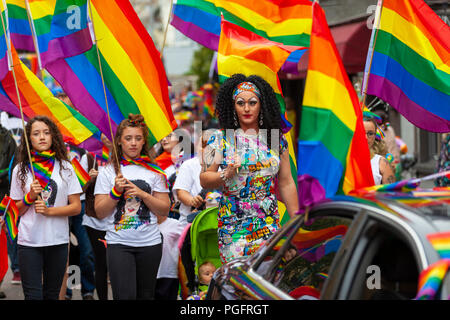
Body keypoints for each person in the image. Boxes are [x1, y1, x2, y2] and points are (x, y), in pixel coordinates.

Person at [200, 74, 299, 264]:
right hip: (234, 228)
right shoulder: (219, 139)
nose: (246, 108)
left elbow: (286, 182)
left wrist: (296, 224)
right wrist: (225, 174)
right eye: (240, 103)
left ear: (261, 105)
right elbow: (204, 178)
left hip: (268, 224)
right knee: (238, 286)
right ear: (232, 106)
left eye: (252, 102)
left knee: (267, 283)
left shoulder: (277, 139)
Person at [94, 114, 170, 300]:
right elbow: (100, 212)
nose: (133, 143)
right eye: (128, 138)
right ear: (119, 141)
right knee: (124, 296)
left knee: (146, 296)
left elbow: (165, 210)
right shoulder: (108, 172)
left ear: (144, 141)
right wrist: (115, 191)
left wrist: (143, 194)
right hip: (119, 244)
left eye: (138, 138)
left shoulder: (155, 171)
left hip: (150, 244)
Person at [10, 116, 82, 300]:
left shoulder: (66, 167)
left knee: (52, 294)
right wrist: (29, 197)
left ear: (53, 136)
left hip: (57, 241)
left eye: (46, 132)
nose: (42, 137)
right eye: (36, 133)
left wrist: (50, 211)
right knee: (33, 296)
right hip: (29, 243)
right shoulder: (21, 169)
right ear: (29, 139)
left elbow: (75, 207)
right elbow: (13, 211)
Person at [64, 146, 96, 300]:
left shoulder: (86, 151)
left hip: (82, 205)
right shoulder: (55, 146)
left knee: (86, 250)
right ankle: (67, 290)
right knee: (66, 251)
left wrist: (92, 178)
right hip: (62, 206)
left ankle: (87, 290)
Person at [155, 214, 185, 300]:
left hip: (168, 273)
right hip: (148, 274)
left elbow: (186, 242)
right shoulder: (145, 225)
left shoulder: (175, 224)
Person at [363, 117, 395, 185]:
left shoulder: (381, 163)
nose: (365, 137)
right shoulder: (343, 159)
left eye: (370, 133)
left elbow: (390, 194)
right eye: (361, 132)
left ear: (375, 136)